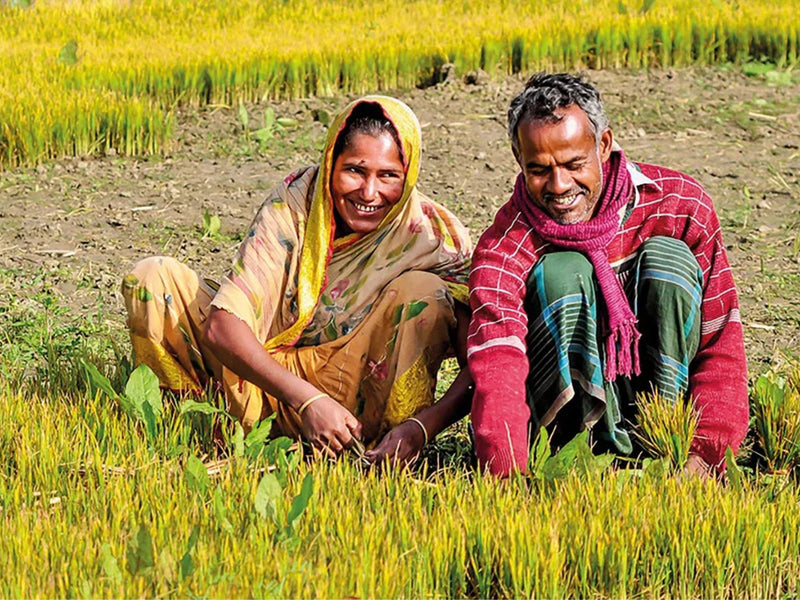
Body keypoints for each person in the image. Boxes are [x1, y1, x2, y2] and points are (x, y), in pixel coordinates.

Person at [122, 96, 473, 465]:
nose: (369, 193)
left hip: (356, 397)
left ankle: (380, 451)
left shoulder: (430, 236)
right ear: (330, 164)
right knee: (153, 279)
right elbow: (222, 326)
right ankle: (203, 428)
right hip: (263, 379)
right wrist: (306, 400)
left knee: (425, 294)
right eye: (354, 170)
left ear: (409, 175)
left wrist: (421, 428)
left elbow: (481, 362)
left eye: (388, 176)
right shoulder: (294, 206)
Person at [467, 73, 748, 477]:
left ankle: (660, 446)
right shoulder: (506, 243)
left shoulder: (680, 205)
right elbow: (498, 361)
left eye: (573, 164)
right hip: (567, 443)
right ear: (518, 157)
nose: (559, 185)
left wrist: (708, 452)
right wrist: (507, 472)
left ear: (603, 145)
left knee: (668, 260)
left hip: (668, 427)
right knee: (562, 272)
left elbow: (720, 340)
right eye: (539, 169)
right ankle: (583, 451)